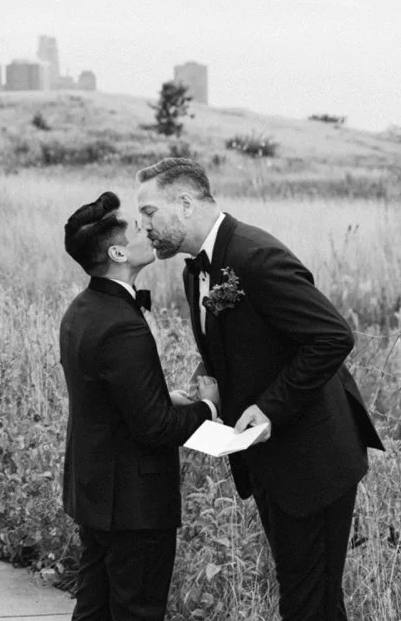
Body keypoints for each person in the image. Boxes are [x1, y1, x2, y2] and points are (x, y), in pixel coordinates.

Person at [135, 157, 382, 621]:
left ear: (185, 203)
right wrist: (206, 387)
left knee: (307, 600)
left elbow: (332, 337)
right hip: (269, 457)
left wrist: (268, 409)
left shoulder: (254, 256)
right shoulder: (196, 270)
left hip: (314, 457)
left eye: (148, 212)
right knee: (314, 598)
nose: (141, 225)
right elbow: (242, 346)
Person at [60, 191, 218, 621]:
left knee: (93, 609)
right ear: (117, 252)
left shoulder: (81, 310)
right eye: (135, 227)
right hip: (134, 504)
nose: (146, 229)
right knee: (137, 612)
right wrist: (207, 407)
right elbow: (155, 428)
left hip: (96, 492)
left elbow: (107, 398)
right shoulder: (122, 326)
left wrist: (166, 398)